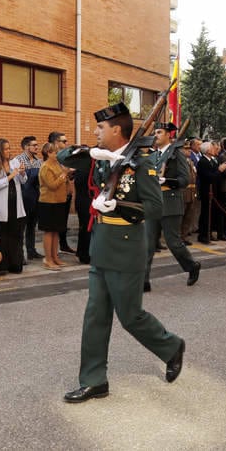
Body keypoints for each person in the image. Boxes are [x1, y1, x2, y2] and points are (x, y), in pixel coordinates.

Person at [57, 102, 185, 403]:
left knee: (131, 317)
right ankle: (94, 380)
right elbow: (62, 155)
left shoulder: (143, 161)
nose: (96, 132)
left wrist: (120, 206)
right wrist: (91, 152)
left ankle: (171, 346)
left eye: (101, 128)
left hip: (127, 247)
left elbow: (155, 208)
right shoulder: (104, 158)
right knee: (95, 316)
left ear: (116, 129)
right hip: (102, 244)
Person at [144, 122, 201, 292]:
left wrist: (167, 181)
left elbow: (185, 180)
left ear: (169, 135)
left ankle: (191, 266)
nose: (156, 135)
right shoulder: (152, 157)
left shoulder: (177, 154)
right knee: (147, 244)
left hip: (170, 202)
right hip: (153, 203)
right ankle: (144, 280)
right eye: (155, 132)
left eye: (159, 132)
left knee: (173, 242)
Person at [0, 138, 27, 275]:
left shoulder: (14, 162)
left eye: (9, 148)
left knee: (16, 236)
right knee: (1, 236)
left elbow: (23, 180)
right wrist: (10, 175)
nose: (8, 151)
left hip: (15, 205)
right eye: (5, 149)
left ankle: (16, 263)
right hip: (0, 207)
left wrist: (21, 173)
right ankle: (0, 266)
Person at [37, 142, 69, 270]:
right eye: (55, 153)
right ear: (48, 153)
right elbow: (52, 185)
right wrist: (64, 175)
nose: (57, 155)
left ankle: (55, 257)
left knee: (56, 230)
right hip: (48, 203)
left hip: (59, 202)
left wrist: (66, 175)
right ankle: (48, 259)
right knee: (49, 231)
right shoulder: (45, 167)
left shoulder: (57, 164)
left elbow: (63, 180)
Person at [49, 131, 76, 254]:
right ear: (55, 143)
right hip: (55, 196)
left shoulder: (65, 158)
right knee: (55, 224)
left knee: (64, 222)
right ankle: (52, 251)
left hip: (66, 193)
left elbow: (68, 177)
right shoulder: (52, 159)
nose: (66, 143)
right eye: (64, 141)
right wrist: (65, 172)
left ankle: (63, 245)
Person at [17, 136, 43, 260]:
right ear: (26, 147)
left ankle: (31, 251)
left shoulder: (39, 161)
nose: (37, 147)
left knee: (32, 226)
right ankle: (20, 255)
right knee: (21, 228)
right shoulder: (18, 160)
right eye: (34, 145)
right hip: (23, 197)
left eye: (37, 145)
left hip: (35, 197)